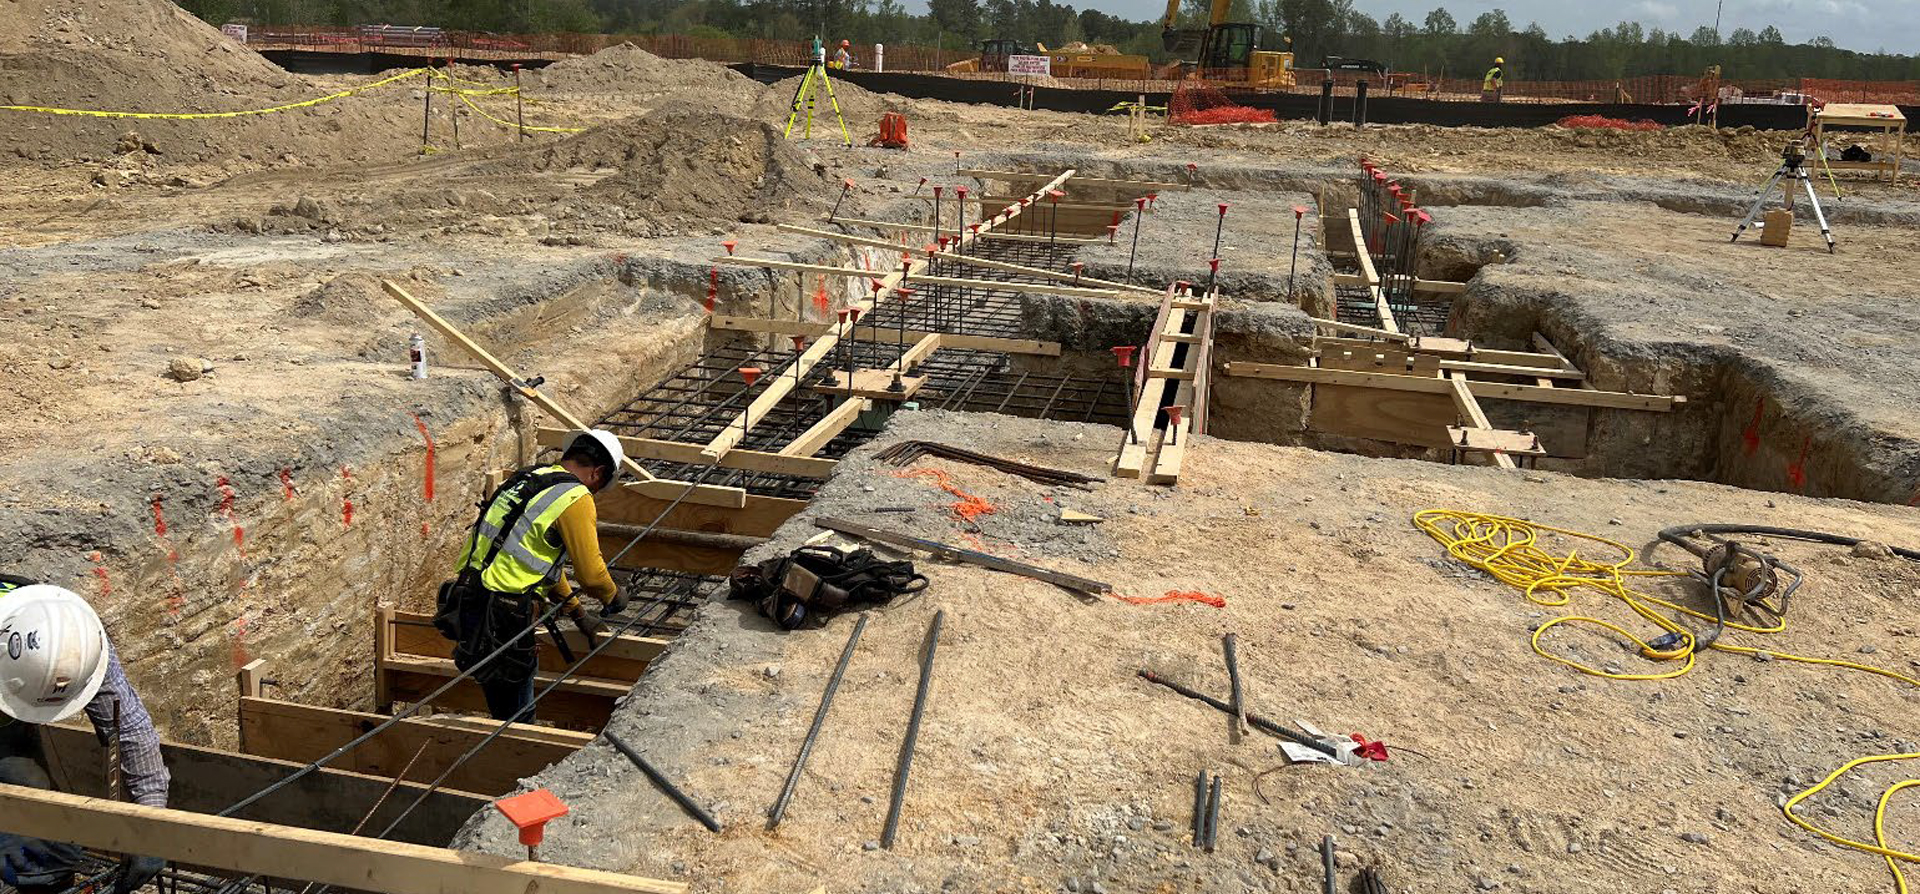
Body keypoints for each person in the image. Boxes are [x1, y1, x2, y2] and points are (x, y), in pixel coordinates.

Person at [438, 430, 628, 723]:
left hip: (469, 596)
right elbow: (591, 575)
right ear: (599, 473)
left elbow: (534, 561)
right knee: (516, 714)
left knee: (499, 694)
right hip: (504, 613)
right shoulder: (576, 497)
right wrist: (612, 595)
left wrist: (577, 613)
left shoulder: (526, 479)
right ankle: (515, 759)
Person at [0, 576, 167, 894]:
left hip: (10, 724)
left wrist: (151, 822)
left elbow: (129, 728)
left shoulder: (75, 637)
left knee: (38, 819)